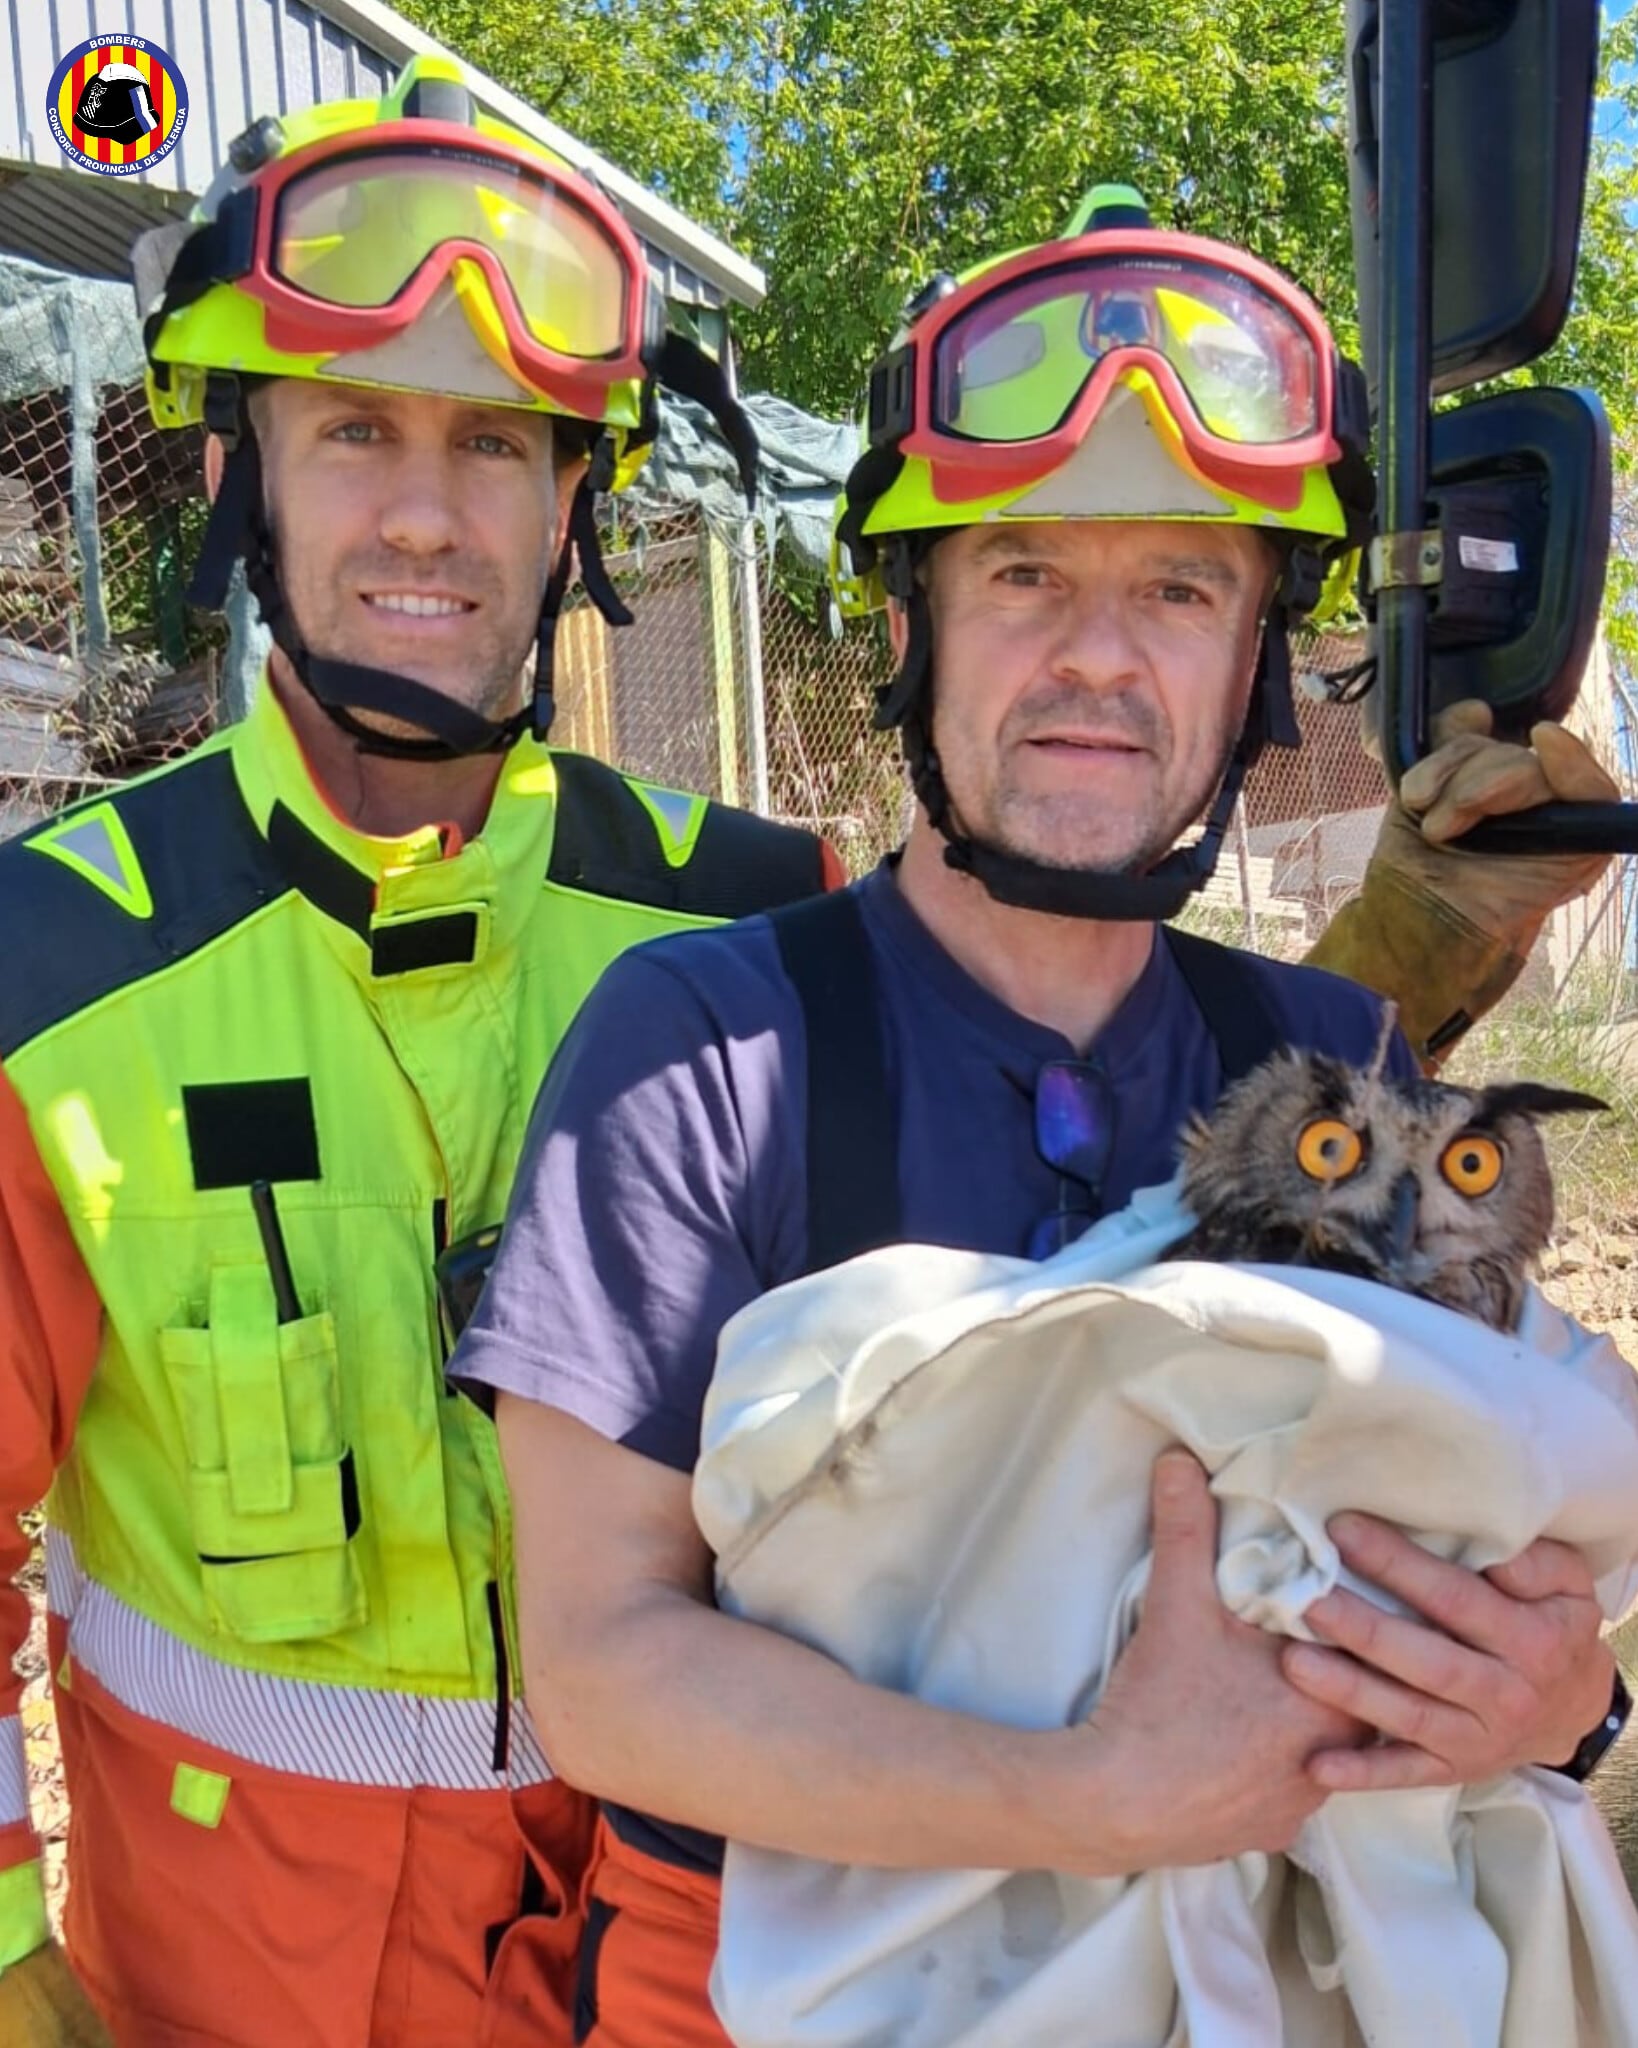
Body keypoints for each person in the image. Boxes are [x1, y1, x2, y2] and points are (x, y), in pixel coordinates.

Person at [451, 189, 1627, 2044]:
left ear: (1253, 662)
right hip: (757, 1982)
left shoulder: (1338, 1052)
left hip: (1244, 1963)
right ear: (913, 626)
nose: (1097, 654)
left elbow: (1475, 1532)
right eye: (1022, 574)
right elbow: (602, 1677)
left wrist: (1559, 1705)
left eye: (1177, 587)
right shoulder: (702, 1049)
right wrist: (1088, 1802)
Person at [0, 53, 837, 2048]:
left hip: (679, 1995)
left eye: (495, 442)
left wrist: (1413, 955)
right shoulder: (46, 967)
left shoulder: (766, 930)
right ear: (234, 480)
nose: (425, 515)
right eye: (354, 428)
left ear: (579, 502)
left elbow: (1089, 1235)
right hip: (205, 2002)